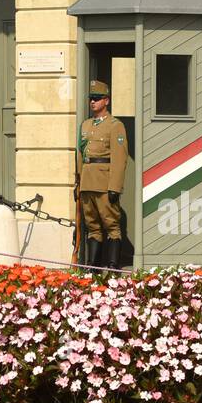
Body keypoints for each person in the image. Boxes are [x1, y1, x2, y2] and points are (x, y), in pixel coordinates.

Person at [76, 80, 129, 270]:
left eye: (97, 99)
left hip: (105, 183)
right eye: (91, 99)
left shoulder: (115, 126)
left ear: (106, 101)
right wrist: (79, 183)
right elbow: (81, 155)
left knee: (111, 225)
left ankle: (113, 266)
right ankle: (93, 266)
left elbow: (119, 158)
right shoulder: (85, 125)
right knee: (92, 227)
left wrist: (115, 187)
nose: (93, 102)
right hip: (88, 182)